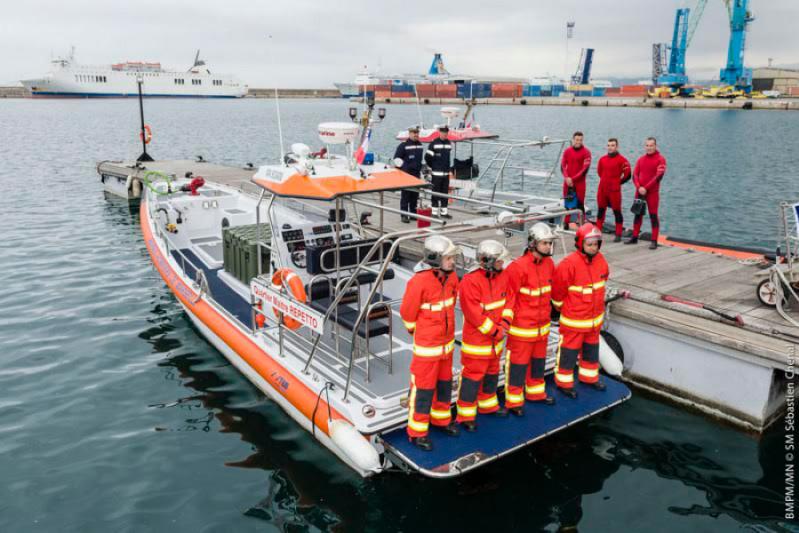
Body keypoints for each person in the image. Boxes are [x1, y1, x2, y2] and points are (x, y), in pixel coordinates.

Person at [400, 235, 461, 450]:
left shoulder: (452, 278)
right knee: (423, 390)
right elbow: (407, 313)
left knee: (444, 386)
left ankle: (441, 420)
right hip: (427, 348)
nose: (453, 262)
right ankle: (417, 432)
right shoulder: (419, 281)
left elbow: (451, 304)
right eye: (448, 258)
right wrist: (418, 332)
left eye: (453, 257)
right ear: (435, 258)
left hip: (446, 347)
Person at [456, 240, 513, 431]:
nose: (501, 264)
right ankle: (465, 415)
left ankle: (488, 405)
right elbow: (474, 314)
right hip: (478, 343)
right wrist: (496, 331)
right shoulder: (470, 282)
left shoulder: (503, 276)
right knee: (472, 379)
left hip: (495, 342)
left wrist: (505, 323)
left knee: (491, 374)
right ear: (487, 261)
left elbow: (510, 301)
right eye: (498, 261)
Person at [503, 223, 558, 413]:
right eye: (545, 243)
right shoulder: (517, 268)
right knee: (517, 367)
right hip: (521, 329)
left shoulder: (549, 264)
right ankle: (514, 401)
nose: (549, 247)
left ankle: (536, 393)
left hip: (541, 328)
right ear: (533, 243)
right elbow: (509, 299)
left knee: (538, 363)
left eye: (550, 243)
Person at [551, 223, 609, 398]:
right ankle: (564, 383)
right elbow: (558, 293)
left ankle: (589, 378)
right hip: (574, 321)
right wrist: (564, 309)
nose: (593, 248)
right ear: (580, 244)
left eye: (595, 244)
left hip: (593, 321)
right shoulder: (568, 264)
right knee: (568, 353)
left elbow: (604, 280)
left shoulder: (601, 261)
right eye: (589, 244)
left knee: (591, 352)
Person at [625, 137, 667, 250]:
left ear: (655, 146)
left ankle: (654, 241)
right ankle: (634, 237)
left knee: (653, 216)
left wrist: (646, 188)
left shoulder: (661, 159)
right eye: (647, 145)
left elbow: (658, 177)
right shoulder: (641, 159)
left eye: (651, 145)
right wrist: (639, 187)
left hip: (652, 192)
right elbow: (635, 175)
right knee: (637, 215)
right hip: (639, 192)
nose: (649, 148)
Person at [595, 138, 632, 242]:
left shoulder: (622, 160)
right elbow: (599, 172)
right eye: (609, 145)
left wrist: (618, 182)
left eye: (612, 145)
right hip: (602, 189)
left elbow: (628, 174)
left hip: (614, 190)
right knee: (601, 211)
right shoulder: (602, 159)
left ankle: (618, 234)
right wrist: (605, 181)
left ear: (617, 147)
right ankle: (598, 233)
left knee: (617, 212)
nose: (610, 147)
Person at [561, 131, 592, 228]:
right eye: (577, 140)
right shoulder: (567, 151)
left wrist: (572, 179)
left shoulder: (586, 152)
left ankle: (582, 225)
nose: (578, 142)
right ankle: (565, 224)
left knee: (580, 204)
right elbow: (562, 166)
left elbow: (584, 170)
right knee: (568, 204)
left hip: (579, 183)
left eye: (580, 140)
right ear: (573, 139)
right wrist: (566, 177)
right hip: (567, 182)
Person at [393, 126, 424, 223]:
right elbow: (396, 159)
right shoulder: (403, 145)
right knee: (405, 195)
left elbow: (419, 160)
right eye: (414, 133)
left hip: (416, 174)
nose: (416, 135)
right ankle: (404, 215)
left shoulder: (420, 145)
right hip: (406, 175)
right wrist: (404, 168)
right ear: (409, 133)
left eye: (417, 133)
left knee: (415, 195)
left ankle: (413, 214)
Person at [424, 125, 454, 219]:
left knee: (445, 193)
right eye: (443, 133)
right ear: (440, 133)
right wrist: (433, 166)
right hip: (436, 173)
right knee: (436, 193)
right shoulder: (434, 143)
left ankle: (444, 212)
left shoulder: (449, 143)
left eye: (446, 133)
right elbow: (427, 157)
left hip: (446, 174)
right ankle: (434, 212)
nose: (445, 134)